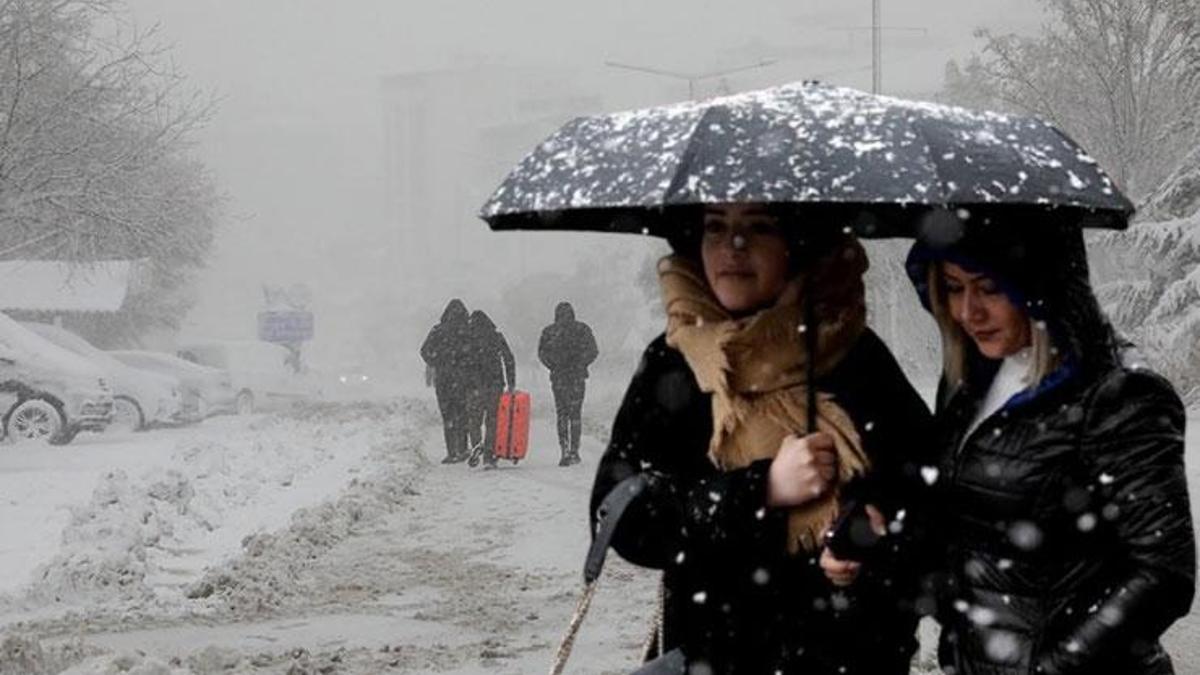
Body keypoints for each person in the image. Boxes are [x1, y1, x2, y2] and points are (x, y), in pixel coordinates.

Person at [589, 203, 934, 674]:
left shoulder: (855, 356)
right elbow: (621, 517)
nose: (733, 247)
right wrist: (762, 489)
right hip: (712, 659)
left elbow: (925, 500)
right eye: (715, 227)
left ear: (798, 243)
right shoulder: (675, 365)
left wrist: (867, 535)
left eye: (759, 227)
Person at [904, 216, 1196, 675]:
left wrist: (1055, 666)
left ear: (1041, 285)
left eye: (989, 287)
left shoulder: (1118, 394)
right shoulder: (968, 385)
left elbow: (1163, 572)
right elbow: (964, 529)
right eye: (954, 288)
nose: (968, 311)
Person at [538, 301, 598, 467]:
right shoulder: (582, 329)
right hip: (577, 377)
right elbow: (594, 351)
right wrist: (581, 363)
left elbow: (542, 353)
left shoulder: (549, 332)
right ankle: (574, 451)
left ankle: (563, 449)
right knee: (575, 414)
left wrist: (553, 366)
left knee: (562, 414)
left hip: (559, 378)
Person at [420, 299, 471, 464]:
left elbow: (424, 351)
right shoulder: (468, 331)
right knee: (463, 414)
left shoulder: (438, 331)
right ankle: (463, 448)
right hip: (463, 379)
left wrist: (437, 362)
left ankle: (452, 452)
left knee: (448, 416)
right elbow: (476, 352)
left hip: (444, 379)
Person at [465, 309, 516, 469]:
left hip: (474, 385)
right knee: (492, 420)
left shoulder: (468, 338)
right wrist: (511, 382)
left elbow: (461, 362)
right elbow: (509, 358)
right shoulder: (496, 336)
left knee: (474, 420)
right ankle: (489, 455)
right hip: (495, 384)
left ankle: (476, 445)